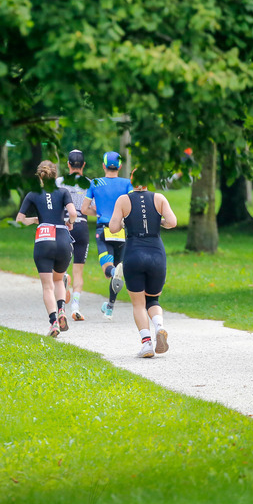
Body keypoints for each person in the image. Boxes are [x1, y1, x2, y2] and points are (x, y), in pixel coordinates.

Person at [108, 169, 178, 358]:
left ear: (131, 181)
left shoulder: (123, 200)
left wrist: (124, 223)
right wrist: (159, 222)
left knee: (138, 304)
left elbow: (113, 227)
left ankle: (147, 344)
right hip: (156, 253)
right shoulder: (159, 198)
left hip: (133, 253)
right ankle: (159, 327)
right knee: (153, 299)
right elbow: (172, 222)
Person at [16, 160, 77, 337]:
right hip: (62, 237)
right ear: (55, 175)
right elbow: (73, 213)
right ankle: (61, 310)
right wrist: (70, 223)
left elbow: (20, 220)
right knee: (59, 280)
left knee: (47, 286)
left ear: (40, 176)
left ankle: (53, 323)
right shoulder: (63, 192)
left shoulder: (32, 194)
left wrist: (36, 220)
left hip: (44, 238)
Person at [81, 151, 132, 318]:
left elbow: (84, 209)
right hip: (122, 230)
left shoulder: (95, 183)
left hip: (104, 228)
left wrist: (97, 211)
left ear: (103, 166)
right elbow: (132, 206)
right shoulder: (127, 184)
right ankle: (109, 307)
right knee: (119, 268)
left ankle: (112, 276)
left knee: (108, 270)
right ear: (120, 166)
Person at [56, 149, 91, 321]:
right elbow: (93, 209)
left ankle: (63, 277)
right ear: (83, 165)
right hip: (82, 226)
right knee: (79, 271)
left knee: (59, 267)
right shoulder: (90, 184)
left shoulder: (58, 182)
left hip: (63, 226)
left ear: (68, 164)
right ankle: (75, 306)